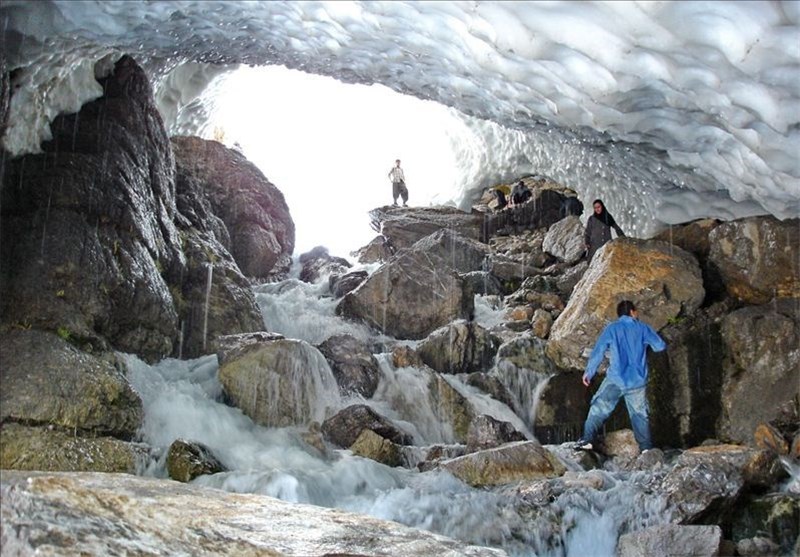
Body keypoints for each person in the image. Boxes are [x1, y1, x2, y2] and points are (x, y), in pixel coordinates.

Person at [575, 300, 666, 452]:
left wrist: (589, 373)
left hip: (615, 379)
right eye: (636, 311)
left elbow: (599, 351)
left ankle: (588, 440)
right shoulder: (643, 328)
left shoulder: (612, 328)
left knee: (598, 409)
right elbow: (660, 346)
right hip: (637, 380)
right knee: (640, 415)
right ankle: (646, 449)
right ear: (632, 312)